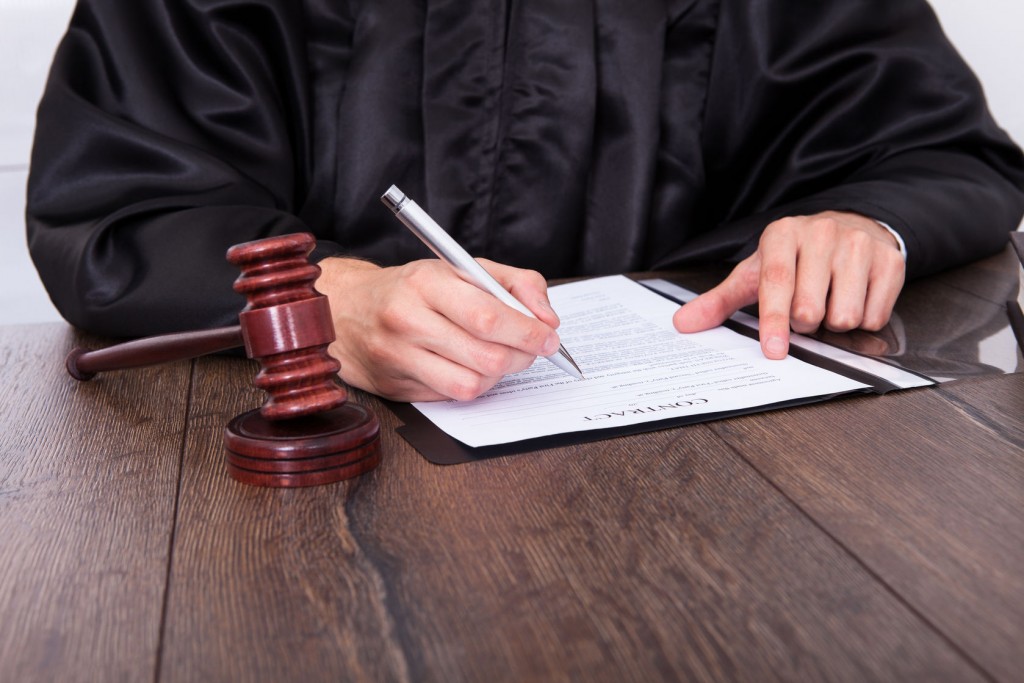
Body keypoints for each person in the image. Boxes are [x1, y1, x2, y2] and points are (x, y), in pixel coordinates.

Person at [26, 0, 1024, 402]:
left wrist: (862, 222)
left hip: (705, 468)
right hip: (302, 478)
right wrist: (334, 298)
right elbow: (122, 204)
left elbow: (935, 147)